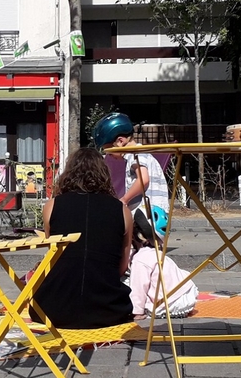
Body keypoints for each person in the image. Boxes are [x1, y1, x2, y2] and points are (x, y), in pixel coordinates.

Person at [34, 147, 135, 329]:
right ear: (104, 174)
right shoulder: (122, 211)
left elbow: (53, 258)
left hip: (53, 310)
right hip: (108, 309)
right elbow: (122, 266)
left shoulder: (52, 206)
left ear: (69, 173)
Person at [92, 112, 170, 243]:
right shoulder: (139, 154)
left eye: (107, 149)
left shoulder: (135, 154)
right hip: (154, 214)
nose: (108, 154)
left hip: (147, 216)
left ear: (120, 141)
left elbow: (143, 179)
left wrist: (124, 199)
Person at [128, 231, 198, 320]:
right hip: (188, 295)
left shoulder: (140, 259)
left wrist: (137, 312)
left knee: (130, 285)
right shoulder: (157, 252)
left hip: (168, 304)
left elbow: (139, 287)